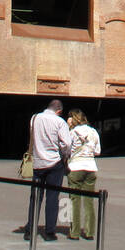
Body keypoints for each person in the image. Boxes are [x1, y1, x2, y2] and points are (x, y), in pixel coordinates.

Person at [25, 99, 71, 241]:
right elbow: (67, 143)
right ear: (59, 111)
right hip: (54, 163)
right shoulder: (59, 122)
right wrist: (65, 156)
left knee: (35, 197)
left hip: (38, 162)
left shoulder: (35, 118)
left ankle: (30, 229)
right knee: (52, 197)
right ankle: (49, 231)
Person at [65, 109, 102, 241]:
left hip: (75, 167)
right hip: (91, 167)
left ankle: (74, 233)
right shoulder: (93, 132)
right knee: (89, 201)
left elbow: (66, 150)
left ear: (73, 119)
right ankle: (89, 232)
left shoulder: (72, 133)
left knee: (74, 201)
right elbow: (97, 151)